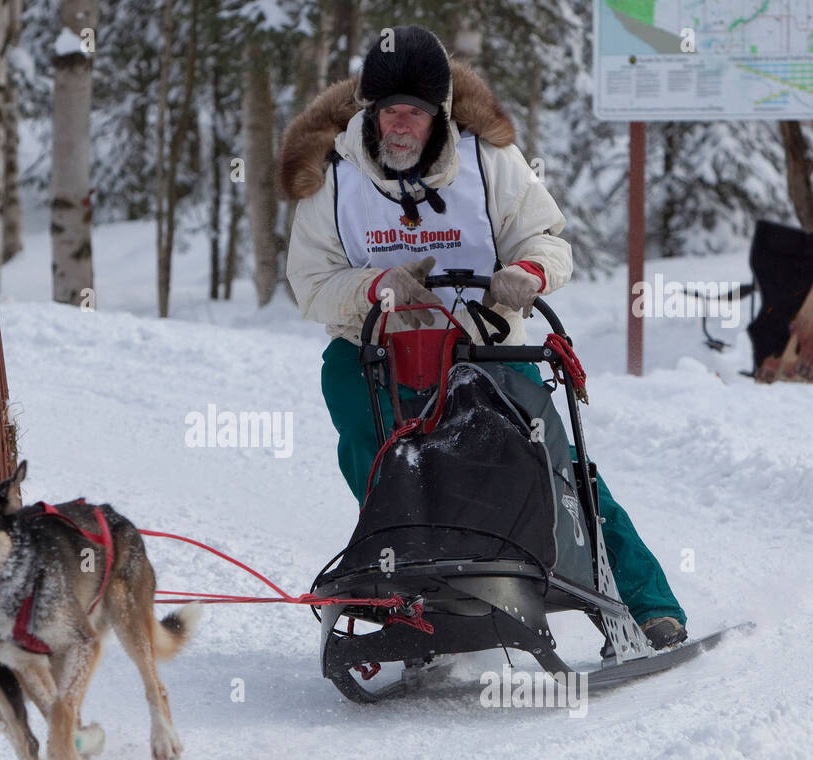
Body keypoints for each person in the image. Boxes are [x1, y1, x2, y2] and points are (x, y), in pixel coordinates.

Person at [282, 25, 688, 651]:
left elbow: (548, 239)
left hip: (485, 347)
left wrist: (528, 272)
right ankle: (409, 597)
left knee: (558, 465)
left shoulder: (488, 162)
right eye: (387, 110)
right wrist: (376, 286)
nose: (398, 126)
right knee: (385, 466)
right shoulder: (334, 177)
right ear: (369, 110)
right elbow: (310, 284)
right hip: (375, 355)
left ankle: (644, 603)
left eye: (413, 113)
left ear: (438, 115)